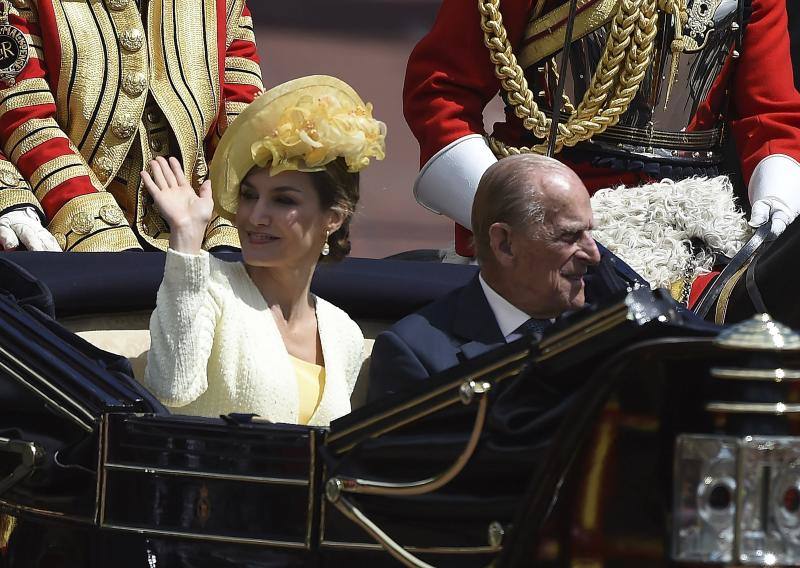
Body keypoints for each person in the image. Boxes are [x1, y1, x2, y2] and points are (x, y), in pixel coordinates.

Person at [403, 0, 800, 260]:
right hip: (550, 220)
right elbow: (440, 92)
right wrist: (508, 216)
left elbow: (770, 114)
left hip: (699, 221)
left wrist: (778, 197)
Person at [142, 75, 386, 426]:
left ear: (332, 218)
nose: (255, 217)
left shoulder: (342, 331)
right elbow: (172, 387)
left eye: (283, 200)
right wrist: (185, 236)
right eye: (249, 195)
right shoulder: (208, 287)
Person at [367, 154, 647, 401]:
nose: (593, 255)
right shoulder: (416, 354)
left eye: (589, 233)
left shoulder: (610, 335)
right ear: (504, 244)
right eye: (569, 236)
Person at [0, 0, 262, 252]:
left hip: (199, 225)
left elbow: (241, 115)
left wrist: (228, 231)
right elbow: (27, 116)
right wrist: (96, 229)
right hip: (66, 234)